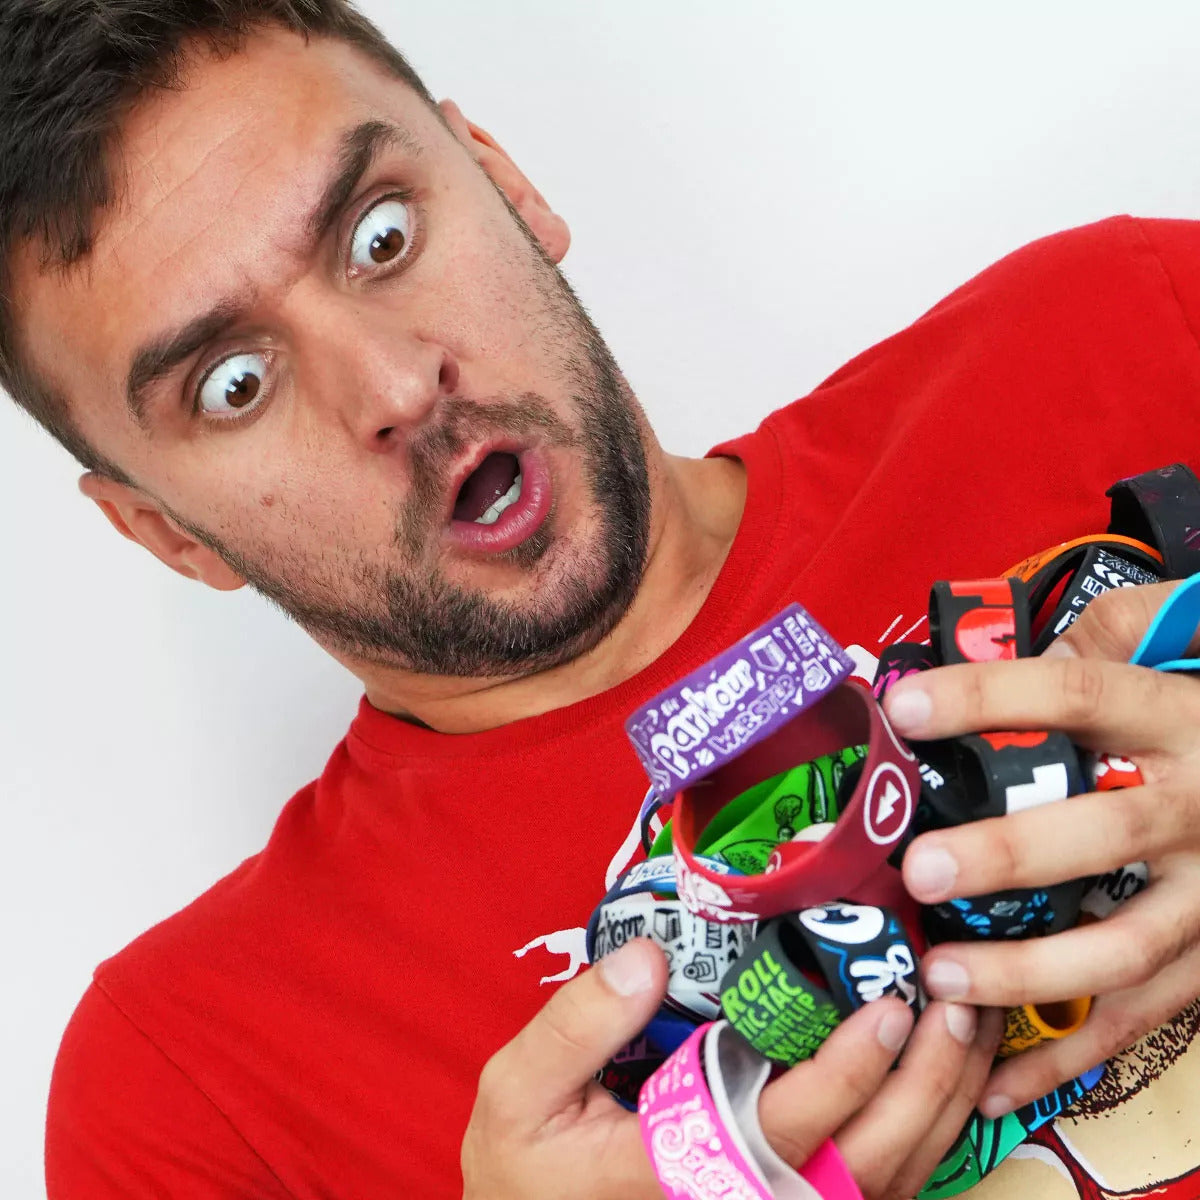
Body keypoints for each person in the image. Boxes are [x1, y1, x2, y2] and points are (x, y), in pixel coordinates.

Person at [3, 2, 1199, 1197]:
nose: (396, 387)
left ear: (506, 183)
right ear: (166, 531)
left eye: (380, 236)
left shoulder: (1126, 325)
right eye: (234, 383)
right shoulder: (193, 1093)